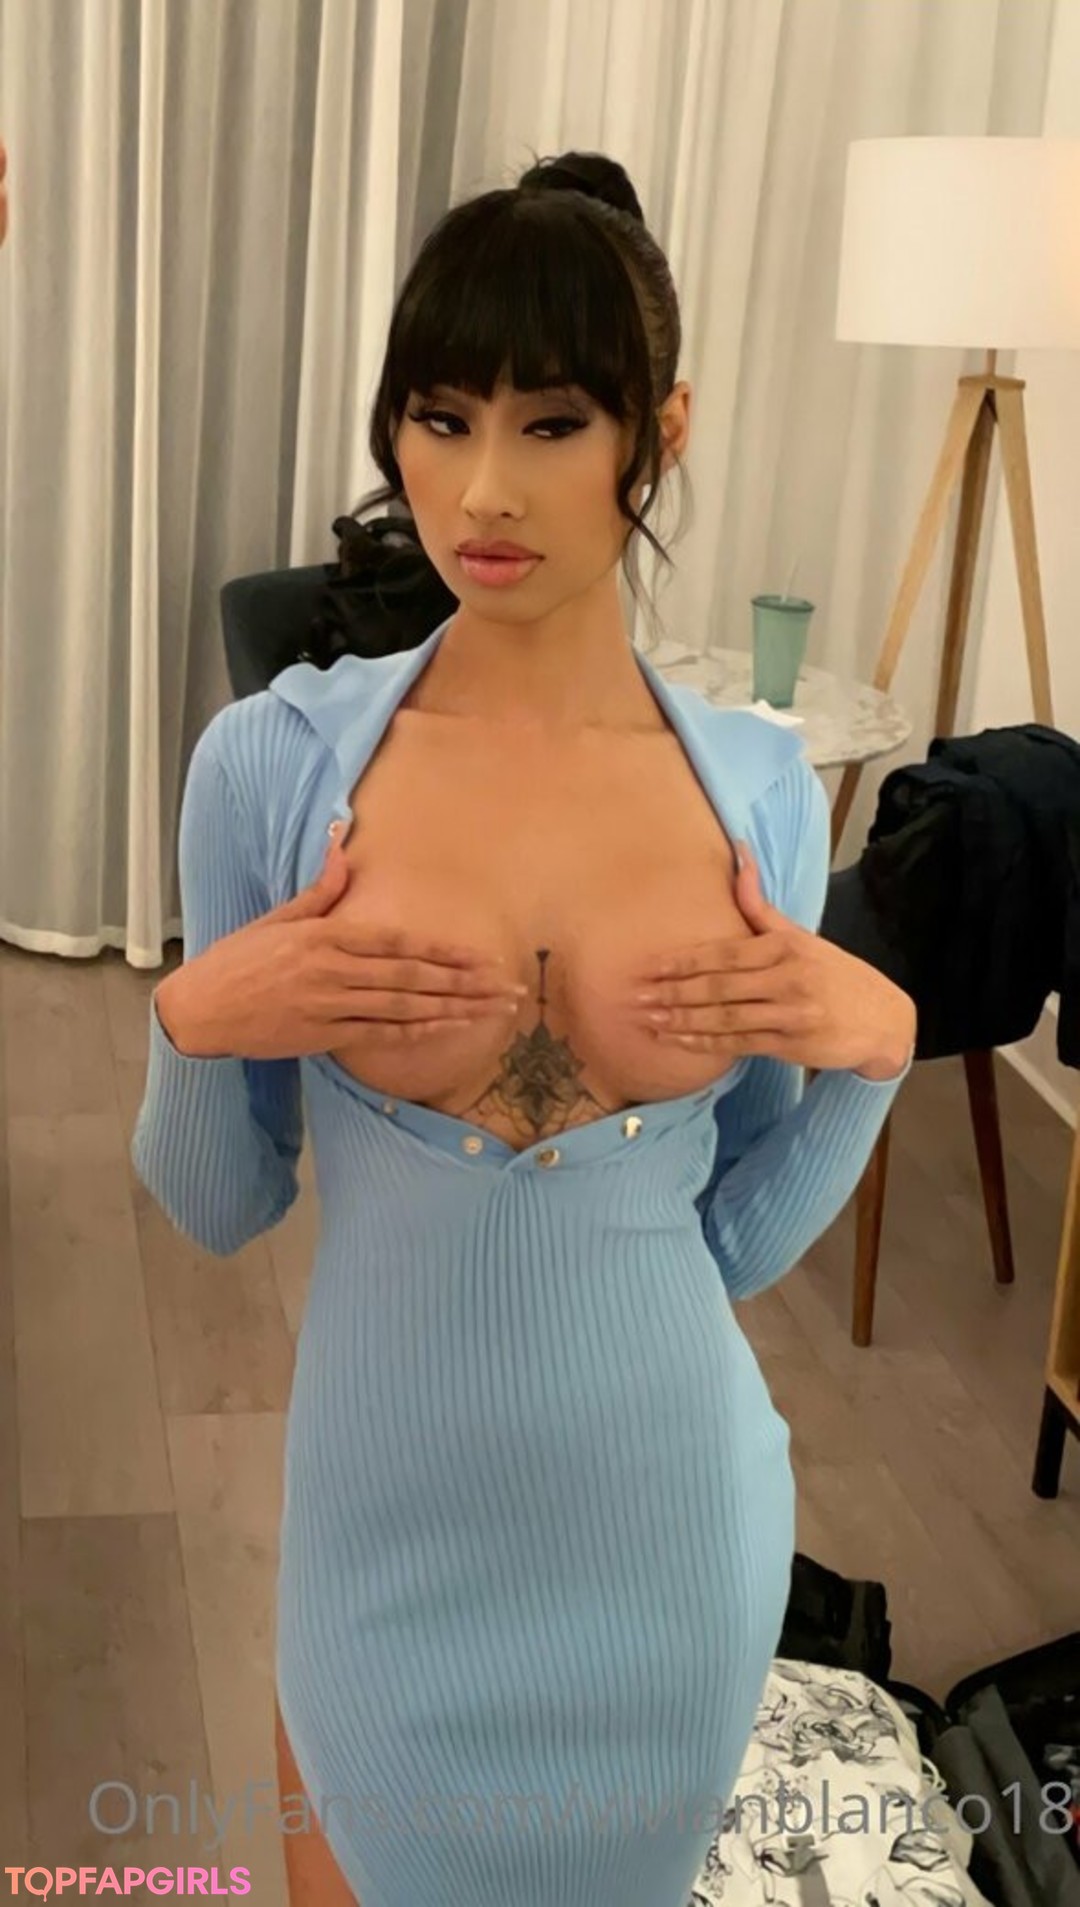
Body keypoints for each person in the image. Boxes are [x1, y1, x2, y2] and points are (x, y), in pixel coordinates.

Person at [131, 148, 915, 1907]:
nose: (481, 488)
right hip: (382, 1542)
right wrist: (193, 1021)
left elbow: (732, 1241)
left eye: (554, 424)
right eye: (440, 419)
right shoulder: (274, 767)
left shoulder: (758, 796)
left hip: (668, 1551)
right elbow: (220, 1204)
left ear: (662, 433)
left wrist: (872, 1059)